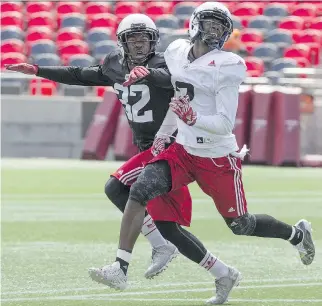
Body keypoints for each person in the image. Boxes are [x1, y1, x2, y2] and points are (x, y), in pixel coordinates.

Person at [6, 14, 241, 303]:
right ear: (123, 42)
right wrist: (38, 69)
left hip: (170, 146)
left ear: (154, 41)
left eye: (145, 38)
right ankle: (222, 272)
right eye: (134, 38)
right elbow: (81, 75)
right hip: (147, 147)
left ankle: (123, 265)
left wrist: (149, 74)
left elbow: (175, 79)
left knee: (116, 187)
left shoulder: (162, 64)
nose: (140, 44)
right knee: (168, 227)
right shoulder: (114, 65)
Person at [95, 3, 316, 304]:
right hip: (183, 151)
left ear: (226, 33)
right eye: (208, 23)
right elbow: (180, 97)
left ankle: (297, 235)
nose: (212, 31)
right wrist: (163, 136)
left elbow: (224, 123)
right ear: (195, 25)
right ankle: (120, 267)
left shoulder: (227, 64)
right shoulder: (176, 52)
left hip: (217, 158)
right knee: (139, 191)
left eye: (219, 26)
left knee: (241, 224)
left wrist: (192, 118)